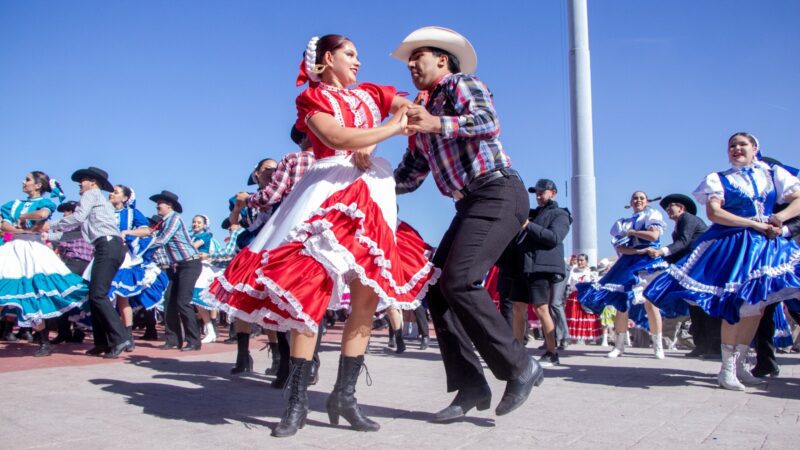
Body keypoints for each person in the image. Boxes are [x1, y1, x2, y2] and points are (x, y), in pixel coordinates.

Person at [207, 34, 437, 437]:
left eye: (359, 55)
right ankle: (295, 401)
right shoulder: (311, 100)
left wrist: (405, 115)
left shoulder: (371, 93)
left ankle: (344, 397)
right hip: (327, 190)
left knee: (367, 294)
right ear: (327, 58)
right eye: (350, 54)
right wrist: (380, 134)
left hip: (371, 192)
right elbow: (337, 139)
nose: (358, 62)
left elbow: (410, 107)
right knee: (309, 286)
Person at [391, 26, 542, 422]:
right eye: (408, 61)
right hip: (470, 202)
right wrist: (365, 185)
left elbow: (487, 121)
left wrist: (435, 123)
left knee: (458, 279)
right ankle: (470, 385)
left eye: (417, 57)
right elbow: (409, 176)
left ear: (442, 59)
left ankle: (520, 365)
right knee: (437, 288)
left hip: (499, 191)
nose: (410, 66)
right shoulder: (421, 114)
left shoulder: (460, 84)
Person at [644, 132, 800, 391]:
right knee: (736, 304)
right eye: (732, 146)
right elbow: (714, 212)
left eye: (742, 145)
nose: (736, 149)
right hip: (735, 245)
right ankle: (726, 368)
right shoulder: (719, 179)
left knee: (756, 307)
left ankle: (739, 365)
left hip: (768, 247)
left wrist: (778, 218)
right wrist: (753, 223)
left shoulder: (773, 174)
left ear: (754, 148)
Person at [0, 173, 89, 356]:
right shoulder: (13, 204)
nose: (23, 182)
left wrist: (24, 217)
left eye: (28, 179)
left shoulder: (46, 203)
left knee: (34, 293)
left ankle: (44, 340)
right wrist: (21, 228)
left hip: (34, 249)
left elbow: (43, 215)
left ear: (38, 185)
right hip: (13, 248)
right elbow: (4, 225)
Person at [577, 191, 669, 359]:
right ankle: (619, 346)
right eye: (635, 198)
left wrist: (633, 233)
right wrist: (638, 249)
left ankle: (658, 345)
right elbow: (620, 247)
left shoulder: (652, 215)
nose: (638, 200)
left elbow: (654, 235)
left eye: (641, 197)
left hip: (650, 262)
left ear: (647, 201)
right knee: (622, 302)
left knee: (651, 302)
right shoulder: (622, 223)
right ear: (631, 202)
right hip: (629, 261)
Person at [52, 167, 131, 358]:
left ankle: (120, 338)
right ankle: (102, 343)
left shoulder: (92, 194)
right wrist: (46, 234)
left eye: (84, 179)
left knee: (98, 295)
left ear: (93, 183)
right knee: (95, 295)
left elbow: (77, 218)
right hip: (108, 247)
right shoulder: (97, 201)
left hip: (108, 246)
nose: (80, 183)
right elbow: (78, 231)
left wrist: (51, 224)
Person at [503, 179, 572, 367]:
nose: (539, 196)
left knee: (541, 308)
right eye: (537, 193)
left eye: (543, 192)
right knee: (517, 307)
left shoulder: (560, 214)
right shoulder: (534, 214)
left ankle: (552, 353)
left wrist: (528, 225)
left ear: (553, 193)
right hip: (522, 266)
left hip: (540, 268)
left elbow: (554, 238)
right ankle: (518, 352)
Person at [645, 193, 714, 358]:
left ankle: (713, 346)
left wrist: (661, 252)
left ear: (681, 208)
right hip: (692, 267)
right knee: (694, 305)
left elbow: (683, 242)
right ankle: (701, 345)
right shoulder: (680, 224)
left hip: (702, 266)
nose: (668, 210)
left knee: (703, 305)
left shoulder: (687, 219)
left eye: (671, 206)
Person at [145, 190, 203, 351]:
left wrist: (142, 242)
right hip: (176, 266)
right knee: (169, 301)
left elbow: (163, 240)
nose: (157, 205)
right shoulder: (163, 222)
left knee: (183, 302)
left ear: (169, 205)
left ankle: (194, 340)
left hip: (190, 263)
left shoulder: (174, 219)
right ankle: (173, 339)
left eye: (160, 202)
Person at [46, 200, 94, 344]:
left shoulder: (70, 228)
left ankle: (64, 332)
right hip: (87, 265)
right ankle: (78, 331)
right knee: (81, 298)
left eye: (67, 211)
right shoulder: (88, 226)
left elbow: (61, 245)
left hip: (74, 263)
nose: (65, 214)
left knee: (62, 296)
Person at [565, 254, 602, 345]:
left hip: (586, 298)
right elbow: (569, 284)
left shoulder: (591, 272)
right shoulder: (573, 271)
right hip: (574, 298)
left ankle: (587, 343)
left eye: (582, 260)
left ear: (586, 261)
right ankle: (573, 342)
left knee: (587, 319)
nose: (579, 262)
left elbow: (596, 285)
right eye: (578, 260)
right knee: (574, 320)